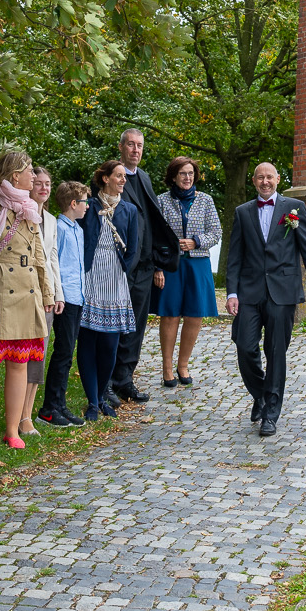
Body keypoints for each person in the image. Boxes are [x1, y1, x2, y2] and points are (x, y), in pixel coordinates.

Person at [225, 161, 306, 439]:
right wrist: (231, 292)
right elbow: (234, 256)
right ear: (254, 181)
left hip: (283, 292)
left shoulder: (294, 208)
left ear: (278, 179)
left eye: (269, 177)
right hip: (249, 291)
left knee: (276, 352)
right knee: (245, 347)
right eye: (260, 177)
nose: (265, 181)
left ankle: (270, 414)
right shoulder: (243, 212)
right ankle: (261, 395)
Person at [0, 147, 51, 450]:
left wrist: (46, 293)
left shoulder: (30, 209)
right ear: (14, 175)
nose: (34, 176)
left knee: (20, 363)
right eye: (30, 169)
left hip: (27, 293)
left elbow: (39, 258)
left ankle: (13, 430)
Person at [107, 127, 180, 404]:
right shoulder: (112, 177)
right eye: (131, 145)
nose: (135, 150)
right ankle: (109, 381)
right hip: (120, 264)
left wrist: (158, 265)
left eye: (139, 145)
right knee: (116, 323)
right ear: (121, 147)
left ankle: (125, 378)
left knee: (136, 325)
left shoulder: (145, 178)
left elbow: (152, 222)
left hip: (146, 265)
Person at [78, 160, 142, 421]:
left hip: (116, 279)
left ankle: (103, 394)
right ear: (104, 178)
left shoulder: (128, 210)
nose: (122, 180)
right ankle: (92, 400)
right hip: (91, 277)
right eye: (117, 176)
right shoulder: (90, 207)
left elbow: (134, 247)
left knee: (110, 345)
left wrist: (123, 271)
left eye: (123, 177)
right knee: (88, 342)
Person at [154, 158, 221, 388]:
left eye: (191, 173)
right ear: (173, 176)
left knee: (195, 314)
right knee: (170, 314)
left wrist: (196, 241)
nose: (187, 178)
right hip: (170, 265)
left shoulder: (205, 200)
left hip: (198, 263)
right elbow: (154, 234)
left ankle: (183, 365)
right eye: (182, 173)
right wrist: (157, 267)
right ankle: (167, 368)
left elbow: (216, 232)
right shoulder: (162, 201)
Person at [40, 181, 87, 426]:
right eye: (84, 202)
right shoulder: (59, 228)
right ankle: (49, 407)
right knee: (62, 352)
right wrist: (59, 294)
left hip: (77, 296)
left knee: (68, 353)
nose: (87, 206)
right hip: (65, 298)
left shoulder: (77, 229)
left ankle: (60, 404)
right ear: (73, 204)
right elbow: (56, 264)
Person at [26, 166, 63, 433]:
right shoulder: (20, 215)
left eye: (48, 184)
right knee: (22, 355)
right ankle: (18, 414)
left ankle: (27, 414)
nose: (43, 188)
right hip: (24, 292)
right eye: (38, 183)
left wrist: (57, 293)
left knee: (40, 352)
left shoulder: (51, 220)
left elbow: (53, 259)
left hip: (46, 294)